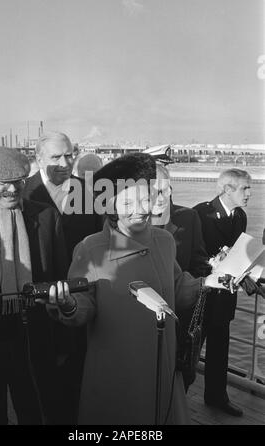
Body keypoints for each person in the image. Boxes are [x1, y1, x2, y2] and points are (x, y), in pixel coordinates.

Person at [50, 152, 222, 425]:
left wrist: (207, 282)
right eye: (128, 202)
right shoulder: (91, 248)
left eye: (146, 199)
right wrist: (70, 305)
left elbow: (176, 288)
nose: (141, 208)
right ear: (109, 205)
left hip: (162, 364)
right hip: (117, 368)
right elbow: (85, 304)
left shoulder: (165, 241)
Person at [0, 147, 71, 425]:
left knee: (35, 411)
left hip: (31, 340)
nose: (13, 189)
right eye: (4, 182)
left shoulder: (46, 218)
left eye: (20, 181)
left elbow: (61, 275)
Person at [22, 131, 102, 423]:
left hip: (80, 299)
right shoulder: (22, 193)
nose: (65, 162)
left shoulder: (90, 193)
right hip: (37, 303)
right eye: (56, 156)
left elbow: (102, 244)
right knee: (40, 378)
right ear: (38, 158)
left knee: (76, 374)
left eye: (69, 155)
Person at [193, 168, 252, 417]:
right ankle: (172, 399)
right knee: (190, 350)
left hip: (226, 296)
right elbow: (193, 256)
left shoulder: (240, 217)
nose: (249, 194)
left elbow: (239, 254)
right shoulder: (200, 213)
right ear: (227, 189)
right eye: (244, 188)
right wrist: (214, 264)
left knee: (220, 349)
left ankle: (217, 398)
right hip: (202, 295)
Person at [151, 162, 211, 391]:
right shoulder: (126, 221)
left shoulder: (189, 217)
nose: (161, 196)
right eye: (154, 190)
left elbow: (199, 263)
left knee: (177, 387)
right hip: (141, 323)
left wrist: (216, 268)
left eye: (166, 189)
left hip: (179, 322)